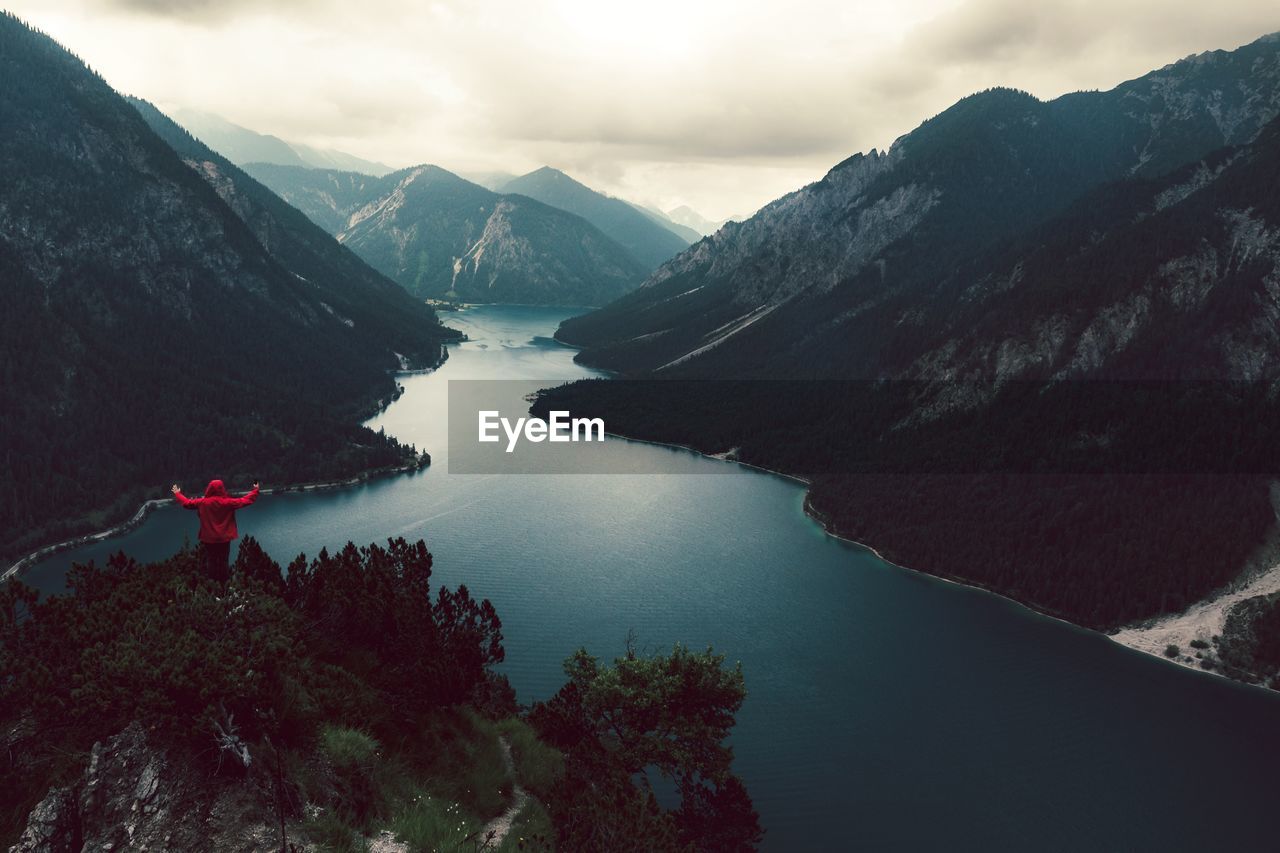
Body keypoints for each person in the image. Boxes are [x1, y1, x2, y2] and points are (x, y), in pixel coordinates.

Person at [171, 479, 260, 583]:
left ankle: (212, 586)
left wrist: (177, 494)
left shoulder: (202, 503)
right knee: (223, 561)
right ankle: (224, 585)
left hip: (209, 539)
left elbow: (187, 503)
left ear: (209, 489)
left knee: (211, 561)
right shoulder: (228, 502)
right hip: (224, 538)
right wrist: (255, 490)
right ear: (222, 489)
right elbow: (246, 500)